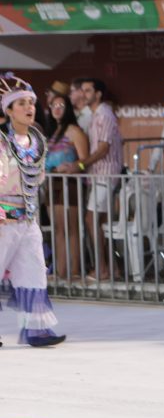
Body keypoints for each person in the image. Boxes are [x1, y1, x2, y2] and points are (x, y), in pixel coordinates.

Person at [0, 74, 65, 347]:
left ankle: (37, 329)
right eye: (22, 103)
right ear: (9, 110)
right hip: (3, 217)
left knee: (34, 270)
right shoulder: (2, 141)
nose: (29, 108)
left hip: (28, 217)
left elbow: (38, 179)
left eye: (31, 102)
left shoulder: (37, 139)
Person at [77, 78, 124, 282]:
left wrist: (81, 165)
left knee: (91, 219)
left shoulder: (104, 114)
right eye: (82, 90)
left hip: (105, 174)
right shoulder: (97, 114)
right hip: (99, 174)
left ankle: (102, 268)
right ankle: (111, 268)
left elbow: (103, 149)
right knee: (102, 223)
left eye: (88, 90)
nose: (84, 94)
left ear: (98, 94)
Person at [44, 93, 89, 280]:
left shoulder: (74, 131)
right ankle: (61, 271)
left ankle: (74, 271)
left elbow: (85, 160)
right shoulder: (53, 132)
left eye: (61, 105)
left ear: (68, 109)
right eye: (54, 105)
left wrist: (73, 167)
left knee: (71, 229)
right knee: (58, 229)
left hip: (70, 183)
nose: (57, 109)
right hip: (52, 182)